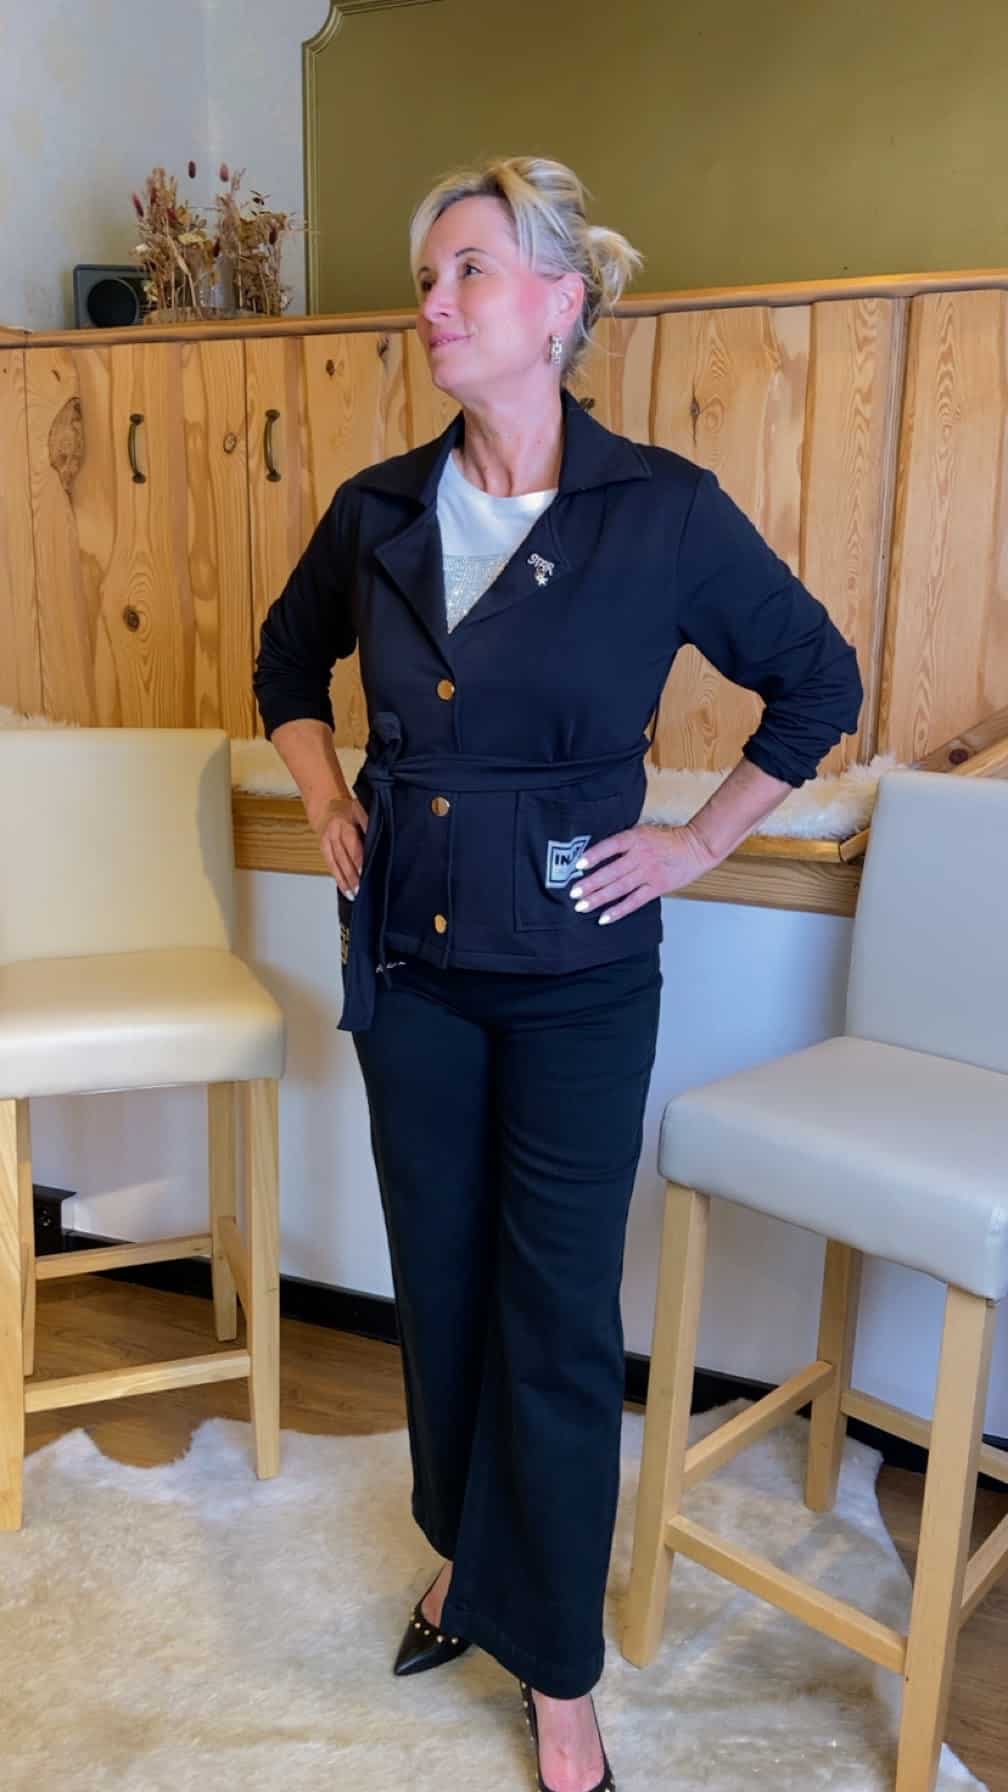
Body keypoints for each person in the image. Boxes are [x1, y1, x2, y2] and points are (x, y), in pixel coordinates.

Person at [253, 154, 863, 1792]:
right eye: (427, 277)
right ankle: (465, 1556)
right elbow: (284, 663)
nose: (434, 303)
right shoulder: (379, 509)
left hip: (580, 974)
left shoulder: (659, 509)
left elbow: (818, 681)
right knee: (443, 1285)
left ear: (560, 302)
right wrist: (325, 798)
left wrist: (696, 842)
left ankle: (561, 1667)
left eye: (467, 270)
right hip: (411, 961)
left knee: (558, 1314)